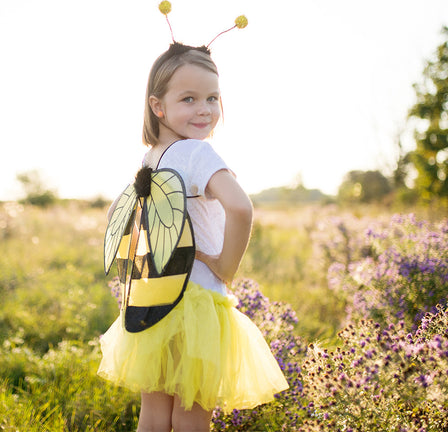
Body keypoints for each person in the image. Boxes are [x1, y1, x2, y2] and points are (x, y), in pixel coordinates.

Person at [97, 42, 289, 432]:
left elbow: (126, 216)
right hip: (197, 303)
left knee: (153, 415)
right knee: (191, 416)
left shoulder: (151, 158)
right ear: (158, 106)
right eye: (189, 98)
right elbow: (240, 208)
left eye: (212, 98)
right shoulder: (198, 154)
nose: (204, 109)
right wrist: (225, 266)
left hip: (153, 297)